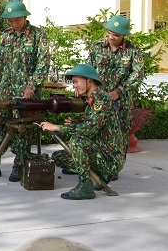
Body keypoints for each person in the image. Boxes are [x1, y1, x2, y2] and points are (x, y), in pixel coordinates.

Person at [0, 0, 50, 182]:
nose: (14, 24)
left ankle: (19, 165)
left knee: (22, 129)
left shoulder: (38, 36)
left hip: (26, 92)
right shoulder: (6, 36)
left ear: (25, 17)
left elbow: (43, 63)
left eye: (17, 20)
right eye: (10, 21)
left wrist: (32, 85)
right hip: (5, 90)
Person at [40, 63, 125, 200]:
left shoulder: (101, 100)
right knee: (58, 156)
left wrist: (56, 127)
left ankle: (85, 186)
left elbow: (89, 129)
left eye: (76, 81)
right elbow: (95, 127)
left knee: (76, 141)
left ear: (88, 80)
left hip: (110, 158)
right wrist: (76, 124)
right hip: (100, 152)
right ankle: (100, 174)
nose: (74, 85)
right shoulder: (92, 100)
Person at [87, 15, 144, 163]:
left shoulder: (133, 51)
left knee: (119, 134)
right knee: (95, 131)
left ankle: (114, 167)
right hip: (98, 98)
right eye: (109, 32)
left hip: (122, 101)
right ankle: (93, 164)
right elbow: (88, 70)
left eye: (116, 35)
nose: (112, 37)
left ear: (124, 35)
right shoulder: (96, 47)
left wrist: (118, 91)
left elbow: (137, 74)